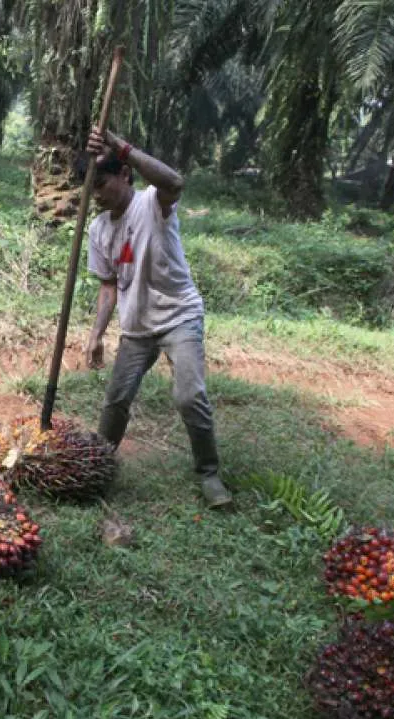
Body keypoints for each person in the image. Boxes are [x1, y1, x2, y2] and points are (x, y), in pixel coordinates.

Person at [79, 128, 232, 508]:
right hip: (136, 327)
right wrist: (96, 334)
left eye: (102, 183)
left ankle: (209, 474)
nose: (96, 194)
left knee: (188, 395)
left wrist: (121, 147)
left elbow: (175, 181)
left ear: (124, 174)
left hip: (179, 316)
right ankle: (99, 466)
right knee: (115, 400)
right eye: (90, 188)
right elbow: (109, 287)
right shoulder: (98, 230)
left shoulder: (152, 203)